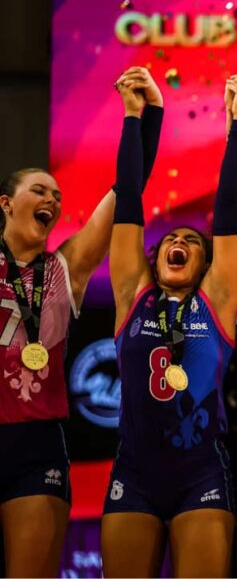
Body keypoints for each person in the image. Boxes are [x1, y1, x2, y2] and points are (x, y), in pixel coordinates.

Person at [0, 67, 161, 577]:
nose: (52, 200)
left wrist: (145, 114)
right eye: (39, 191)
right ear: (6, 203)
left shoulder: (64, 269)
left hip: (37, 445)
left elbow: (126, 192)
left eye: (56, 195)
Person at [99, 71, 237, 576]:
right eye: (172, 240)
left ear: (206, 264)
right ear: (155, 257)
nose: (179, 243)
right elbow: (128, 198)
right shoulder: (133, 294)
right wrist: (135, 115)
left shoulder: (216, 301)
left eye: (192, 242)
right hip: (134, 471)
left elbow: (228, 207)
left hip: (201, 473)